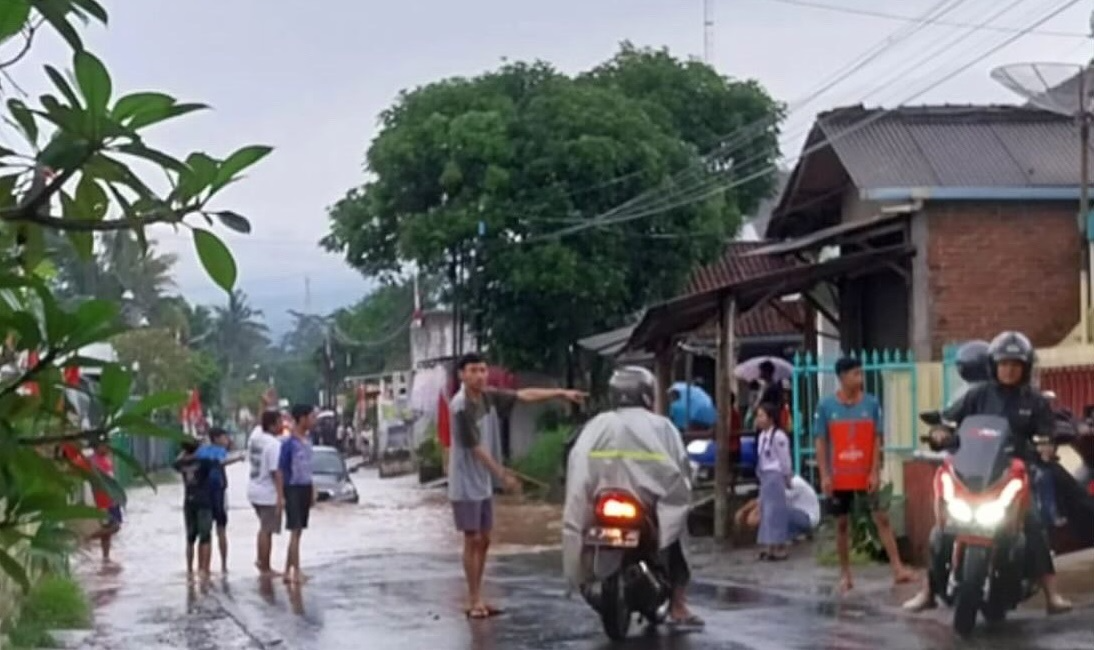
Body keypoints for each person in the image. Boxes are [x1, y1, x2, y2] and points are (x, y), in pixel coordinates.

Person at [903, 331, 1073, 614]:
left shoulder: (1035, 401)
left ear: (1025, 368)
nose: (1009, 370)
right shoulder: (978, 394)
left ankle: (1051, 595)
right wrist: (940, 432)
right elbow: (949, 420)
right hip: (975, 473)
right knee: (943, 528)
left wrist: (1046, 446)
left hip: (1015, 475)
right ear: (994, 366)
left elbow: (1048, 433)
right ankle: (928, 591)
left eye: (1015, 365)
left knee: (1033, 525)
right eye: (1004, 364)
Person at [562, 366, 703, 630]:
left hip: (605, 501)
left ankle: (583, 578)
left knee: (583, 528)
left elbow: (577, 464)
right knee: (676, 530)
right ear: (647, 394)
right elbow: (680, 469)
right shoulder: (663, 427)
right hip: (645, 505)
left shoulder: (597, 424)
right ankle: (679, 604)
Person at [449, 352, 585, 619]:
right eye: (474, 370)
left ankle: (480, 597)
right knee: (472, 538)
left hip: (483, 481)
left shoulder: (487, 397)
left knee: (485, 539)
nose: (480, 375)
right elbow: (475, 448)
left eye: (483, 370)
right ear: (462, 375)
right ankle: (474, 598)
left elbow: (523, 395)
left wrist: (560, 393)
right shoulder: (461, 406)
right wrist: (502, 474)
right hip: (465, 482)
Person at [814, 356, 916, 593]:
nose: (860, 378)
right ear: (841, 378)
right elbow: (821, 443)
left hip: (864, 474)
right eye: (855, 374)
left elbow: (876, 439)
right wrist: (825, 474)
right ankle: (845, 574)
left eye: (861, 374)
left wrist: (874, 471)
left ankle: (898, 568)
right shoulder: (826, 407)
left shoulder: (871, 404)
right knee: (841, 524)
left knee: (882, 518)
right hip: (840, 476)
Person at [279, 404, 317, 584]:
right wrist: (281, 495)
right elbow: (280, 470)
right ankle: (296, 571)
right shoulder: (289, 444)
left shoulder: (307, 440)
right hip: (292, 488)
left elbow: (309, 468)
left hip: (305, 487)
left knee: (298, 532)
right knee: (295, 531)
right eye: (311, 417)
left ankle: (287, 571)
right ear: (302, 419)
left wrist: (312, 489)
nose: (313, 421)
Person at [196, 427, 242, 572]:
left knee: (205, 533)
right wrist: (238, 458)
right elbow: (223, 461)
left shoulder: (201, 451)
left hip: (203, 495)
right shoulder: (220, 451)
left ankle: (202, 567)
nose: (226, 440)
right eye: (224, 437)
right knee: (221, 530)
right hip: (218, 493)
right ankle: (223, 565)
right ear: (216, 438)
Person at [174, 439, 219, 579]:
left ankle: (189, 570)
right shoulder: (204, 462)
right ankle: (204, 570)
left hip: (189, 502)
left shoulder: (181, 463)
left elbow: (175, 463)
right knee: (205, 537)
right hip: (204, 502)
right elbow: (218, 461)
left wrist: (186, 453)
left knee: (190, 538)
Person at [247, 410, 284, 576]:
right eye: (279, 422)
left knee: (263, 528)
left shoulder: (255, 436)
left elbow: (259, 423)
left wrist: (265, 405)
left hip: (253, 490)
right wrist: (280, 498)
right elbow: (276, 472)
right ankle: (265, 567)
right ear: (272, 425)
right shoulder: (273, 445)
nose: (282, 425)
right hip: (267, 493)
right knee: (266, 530)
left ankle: (261, 561)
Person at [755, 402, 793, 561]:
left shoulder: (778, 436)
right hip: (765, 475)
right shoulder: (762, 436)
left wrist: (787, 475)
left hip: (775, 475)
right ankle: (768, 545)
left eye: (761, 416)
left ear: (770, 418)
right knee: (765, 511)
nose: (758, 419)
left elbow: (784, 458)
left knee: (775, 512)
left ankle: (779, 546)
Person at [83, 441, 123, 564]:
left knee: (107, 530)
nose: (106, 448)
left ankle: (105, 557)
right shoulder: (93, 461)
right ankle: (87, 539)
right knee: (115, 526)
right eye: (103, 445)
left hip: (112, 498)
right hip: (104, 499)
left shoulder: (106, 459)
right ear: (97, 447)